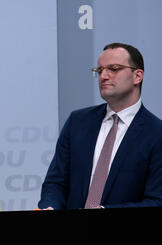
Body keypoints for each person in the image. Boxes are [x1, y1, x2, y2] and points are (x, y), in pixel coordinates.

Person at [39, 42, 162, 210]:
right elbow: (56, 183)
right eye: (100, 70)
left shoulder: (156, 133)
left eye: (114, 68)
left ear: (137, 76)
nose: (104, 76)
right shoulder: (77, 122)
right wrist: (50, 206)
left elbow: (156, 201)